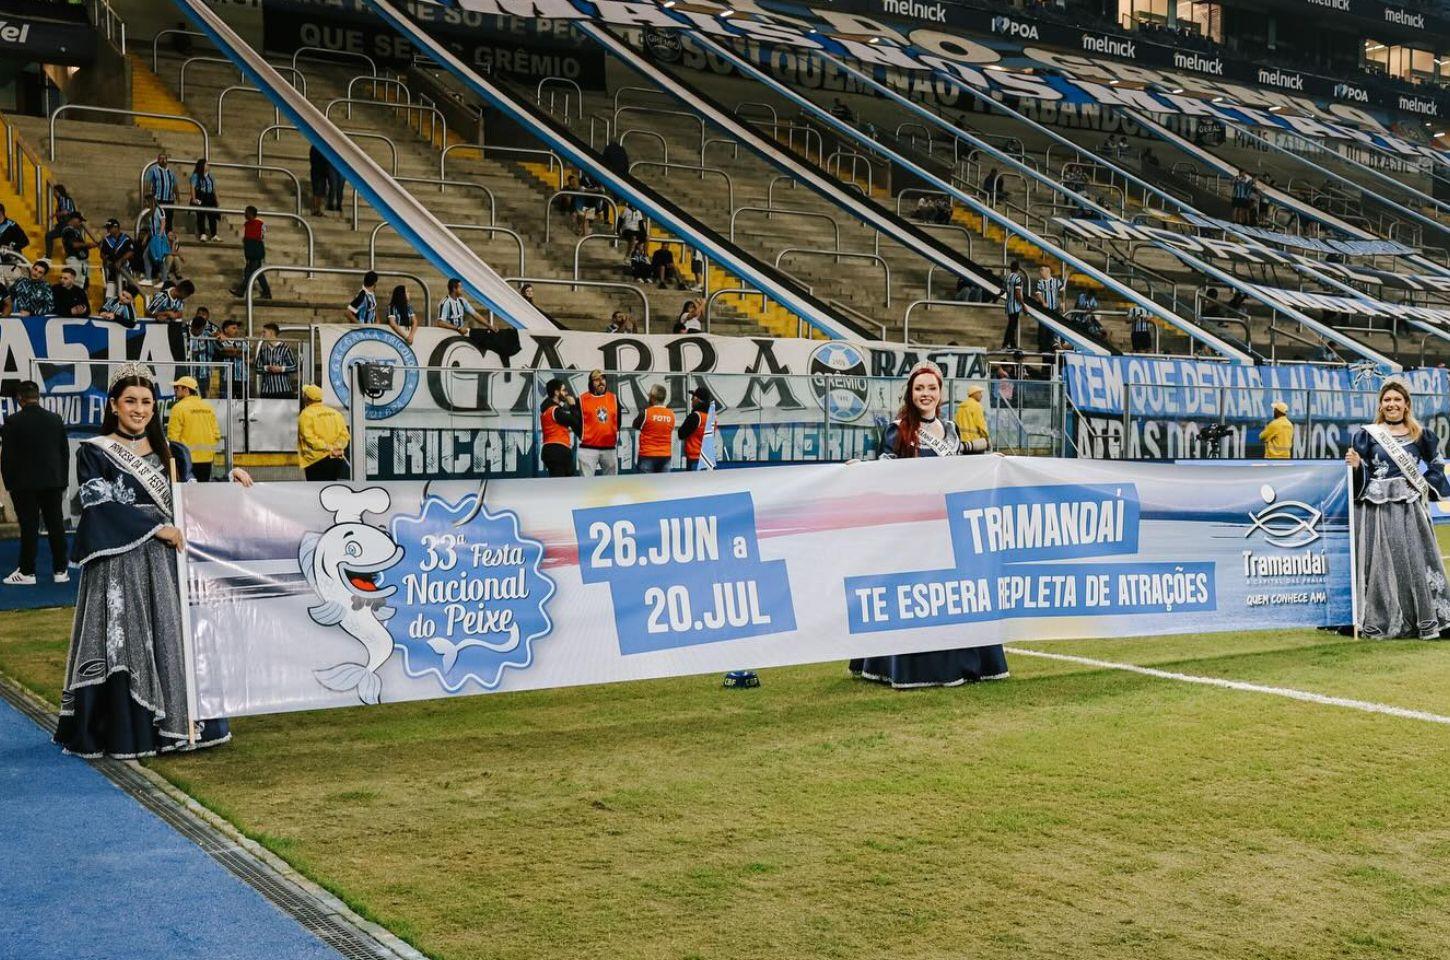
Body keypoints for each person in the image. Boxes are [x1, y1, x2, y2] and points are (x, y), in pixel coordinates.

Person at [54, 362, 252, 759]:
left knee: (170, 637)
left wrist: (228, 485)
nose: (139, 409)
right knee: (124, 642)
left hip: (164, 565)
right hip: (118, 563)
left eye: (146, 402)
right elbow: (96, 503)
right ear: (114, 405)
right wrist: (156, 528)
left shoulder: (172, 452)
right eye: (130, 401)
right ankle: (128, 731)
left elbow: (190, 500)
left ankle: (177, 725)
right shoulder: (94, 452)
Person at [850, 362, 1009, 689]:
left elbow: (961, 467)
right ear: (910, 393)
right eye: (919, 388)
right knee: (914, 593)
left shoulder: (950, 428)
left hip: (949, 527)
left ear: (940, 392)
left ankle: (963, 661)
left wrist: (993, 463)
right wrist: (859, 470)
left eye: (932, 388)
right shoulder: (897, 430)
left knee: (955, 592)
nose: (926, 394)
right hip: (913, 529)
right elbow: (884, 472)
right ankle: (913, 666)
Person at [1345, 380, 1450, 639]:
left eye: (1397, 399)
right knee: (1379, 563)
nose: (1392, 404)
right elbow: (1362, 472)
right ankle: (1379, 617)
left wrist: (1422, 484)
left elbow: (1437, 465)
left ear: (1406, 404)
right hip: (1376, 510)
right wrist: (1357, 466)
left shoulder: (1421, 435)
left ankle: (1422, 618)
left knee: (1414, 560)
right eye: (1387, 400)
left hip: (1409, 509)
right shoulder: (1367, 435)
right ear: (1381, 405)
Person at [1, 380, 69, 585]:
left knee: (29, 527)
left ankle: (27, 572)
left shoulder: (12, 422)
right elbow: (64, 453)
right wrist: (63, 481)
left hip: (24, 486)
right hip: (53, 483)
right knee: (56, 526)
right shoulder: (55, 419)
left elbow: (7, 458)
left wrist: (9, 484)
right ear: (38, 397)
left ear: (19, 399)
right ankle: (61, 571)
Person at [166, 375, 222, 481]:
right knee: (203, 489)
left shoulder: (178, 408)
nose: (175, 390)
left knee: (187, 490)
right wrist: (209, 452)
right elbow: (217, 434)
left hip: (186, 461)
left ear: (186, 390)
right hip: (207, 460)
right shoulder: (208, 407)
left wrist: (176, 456)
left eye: (177, 388)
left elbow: (173, 438)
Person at [298, 383, 350, 481]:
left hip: (316, 460)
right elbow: (345, 436)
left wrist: (328, 448)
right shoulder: (336, 413)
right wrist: (336, 448)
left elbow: (310, 439)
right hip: (336, 458)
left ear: (307, 398)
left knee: (316, 488)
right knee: (331, 487)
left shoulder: (306, 414)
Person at [577, 369, 622, 477]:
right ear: (591, 383)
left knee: (611, 483)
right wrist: (583, 436)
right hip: (588, 448)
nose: (601, 382)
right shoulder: (582, 399)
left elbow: (618, 421)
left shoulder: (613, 398)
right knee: (586, 482)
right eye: (596, 379)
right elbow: (576, 422)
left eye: (603, 379)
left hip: (609, 448)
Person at [539, 377, 579, 478]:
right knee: (562, 483)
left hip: (549, 448)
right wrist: (573, 406)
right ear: (556, 392)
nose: (566, 393)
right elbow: (575, 421)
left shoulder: (546, 409)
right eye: (564, 390)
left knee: (557, 481)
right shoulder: (555, 411)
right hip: (558, 449)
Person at [229, 205, 271, 300]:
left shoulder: (259, 224)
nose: (245, 214)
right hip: (250, 253)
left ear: (251, 214)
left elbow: (260, 237)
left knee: (250, 273)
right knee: (258, 274)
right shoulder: (247, 225)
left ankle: (241, 290)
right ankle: (266, 292)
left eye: (246, 212)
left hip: (256, 253)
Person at [633, 385, 676, 473]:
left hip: (647, 454)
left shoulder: (646, 413)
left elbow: (635, 425)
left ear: (652, 398)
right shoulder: (671, 414)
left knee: (645, 482)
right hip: (665, 455)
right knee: (663, 482)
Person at [255, 323, 297, 399]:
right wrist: (266, 368)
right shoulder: (263, 349)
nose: (262, 335)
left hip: (283, 391)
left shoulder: (285, 348)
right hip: (266, 392)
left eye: (264, 332)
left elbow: (294, 367)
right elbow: (257, 368)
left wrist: (281, 369)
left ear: (271, 333)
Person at [677, 385, 712, 471]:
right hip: (707, 458)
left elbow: (681, 434)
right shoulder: (712, 417)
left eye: (693, 397)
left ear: (698, 400)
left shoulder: (695, 416)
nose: (691, 400)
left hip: (694, 458)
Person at [99, 218, 136, 297]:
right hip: (111, 270)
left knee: (125, 291)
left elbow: (131, 251)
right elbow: (102, 253)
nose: (108, 230)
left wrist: (121, 260)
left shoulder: (126, 239)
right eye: (107, 228)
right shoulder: (106, 240)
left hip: (124, 269)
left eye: (110, 228)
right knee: (110, 293)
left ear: (116, 227)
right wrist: (106, 259)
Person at [1032, 265, 1064, 354]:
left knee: (1052, 328)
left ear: (1047, 271)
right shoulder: (1040, 282)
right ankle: (1042, 347)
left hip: (1054, 309)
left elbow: (1062, 291)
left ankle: (1051, 345)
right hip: (1044, 309)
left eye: (1042, 270)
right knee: (1042, 328)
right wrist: (1043, 302)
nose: (1040, 272)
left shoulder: (1056, 281)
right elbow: (1038, 293)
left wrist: (1062, 302)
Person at [140, 194, 170, 286]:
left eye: (146, 201)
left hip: (158, 238)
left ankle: (163, 280)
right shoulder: (150, 212)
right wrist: (146, 238)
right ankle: (148, 278)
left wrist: (159, 236)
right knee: (147, 256)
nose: (145, 203)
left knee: (159, 259)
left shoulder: (159, 210)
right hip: (153, 238)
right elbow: (151, 228)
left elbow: (163, 223)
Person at [187, 309, 218, 396]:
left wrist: (219, 336)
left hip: (203, 371)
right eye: (199, 314)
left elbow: (220, 345)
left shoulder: (209, 333)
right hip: (187, 371)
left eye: (203, 314)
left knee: (204, 395)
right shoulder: (185, 332)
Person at [144, 153, 179, 231]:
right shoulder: (153, 171)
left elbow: (175, 185)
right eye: (161, 158)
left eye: (164, 158)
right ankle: (157, 234)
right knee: (157, 219)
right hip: (158, 199)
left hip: (169, 200)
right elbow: (148, 183)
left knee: (169, 220)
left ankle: (168, 235)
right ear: (158, 160)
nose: (163, 160)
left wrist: (177, 197)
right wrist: (147, 197)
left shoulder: (171, 172)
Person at [59, 211, 93, 288]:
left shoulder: (75, 230)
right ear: (73, 219)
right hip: (74, 259)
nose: (80, 222)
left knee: (81, 284)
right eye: (79, 220)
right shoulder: (68, 230)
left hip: (80, 260)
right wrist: (87, 245)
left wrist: (89, 246)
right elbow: (72, 244)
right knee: (75, 284)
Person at [189, 157, 220, 242]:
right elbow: (193, 187)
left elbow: (214, 189)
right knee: (201, 215)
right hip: (201, 196)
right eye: (206, 164)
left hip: (210, 196)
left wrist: (217, 199)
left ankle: (214, 234)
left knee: (212, 216)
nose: (208, 166)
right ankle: (202, 233)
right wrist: (194, 198)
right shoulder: (196, 176)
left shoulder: (211, 176)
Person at [953, 383, 990, 453]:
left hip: (963, 442)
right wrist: (986, 439)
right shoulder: (976, 406)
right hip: (975, 442)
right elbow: (981, 425)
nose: (981, 395)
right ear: (974, 394)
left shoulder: (961, 406)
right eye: (979, 393)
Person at [216, 319, 248, 400]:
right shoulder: (219, 341)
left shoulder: (242, 342)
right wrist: (236, 352)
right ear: (226, 329)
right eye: (233, 328)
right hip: (226, 378)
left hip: (241, 377)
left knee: (242, 402)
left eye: (237, 328)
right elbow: (223, 352)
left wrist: (231, 351)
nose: (236, 331)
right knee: (226, 401)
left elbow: (245, 353)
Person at [43, 184, 78, 258]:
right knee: (65, 239)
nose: (54, 194)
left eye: (55, 192)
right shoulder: (61, 200)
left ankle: (48, 256)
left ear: (58, 192)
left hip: (67, 224)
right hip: (64, 224)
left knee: (49, 236)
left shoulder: (64, 199)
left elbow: (66, 211)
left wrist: (54, 215)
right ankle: (70, 255)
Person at [1001, 260, 1025, 350]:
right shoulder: (1017, 278)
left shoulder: (1007, 277)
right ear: (1018, 268)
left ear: (1011, 268)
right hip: (1015, 305)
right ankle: (1005, 344)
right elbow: (1018, 293)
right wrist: (1023, 305)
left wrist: (997, 296)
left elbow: (1002, 290)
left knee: (1011, 324)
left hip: (1008, 304)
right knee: (1012, 326)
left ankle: (1012, 344)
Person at [309, 144, 330, 218]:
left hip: (321, 172)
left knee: (320, 191)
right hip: (317, 171)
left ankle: (318, 209)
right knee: (318, 191)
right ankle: (316, 209)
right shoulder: (316, 148)